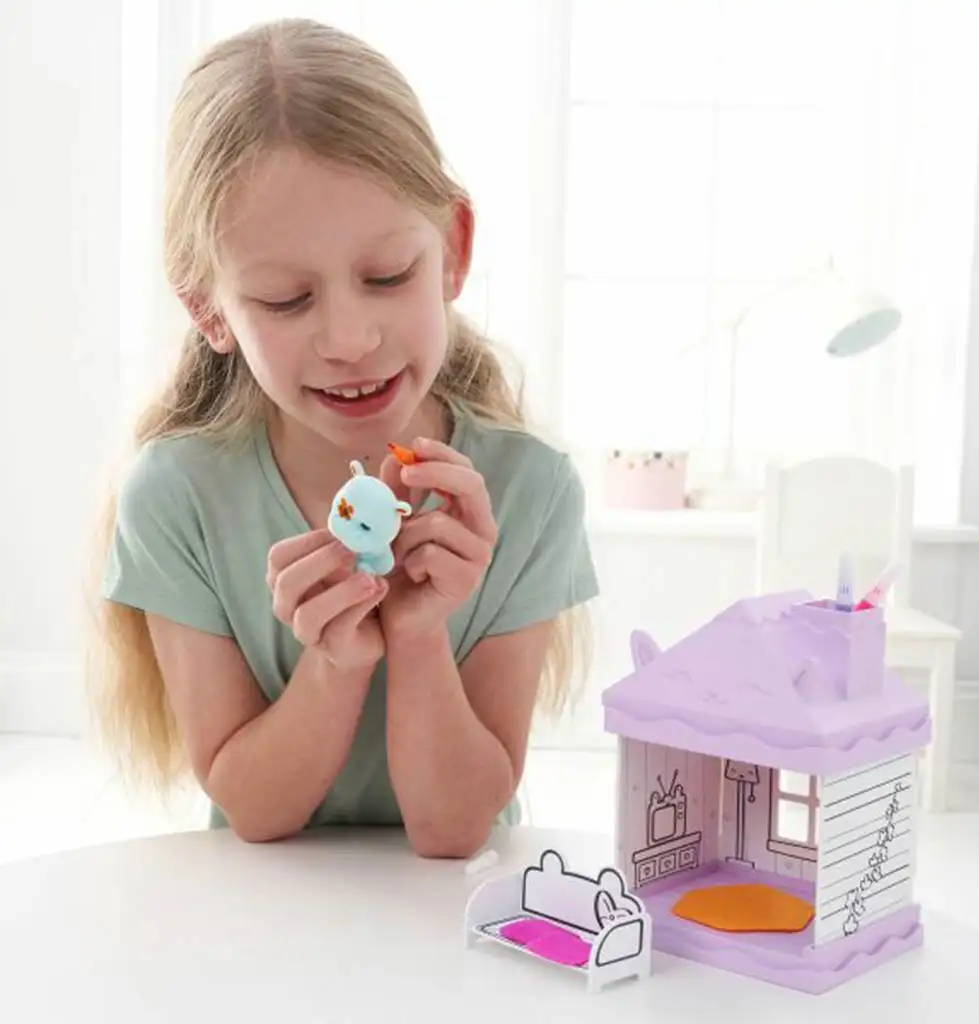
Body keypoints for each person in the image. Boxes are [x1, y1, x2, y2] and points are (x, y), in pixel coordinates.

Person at [85, 17, 597, 859]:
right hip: (269, 917)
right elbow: (257, 812)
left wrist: (419, 632)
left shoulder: (530, 490)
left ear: (453, 249)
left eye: (388, 277)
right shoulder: (177, 496)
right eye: (287, 300)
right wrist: (335, 664)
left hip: (452, 916)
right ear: (210, 309)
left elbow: (456, 829)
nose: (349, 340)